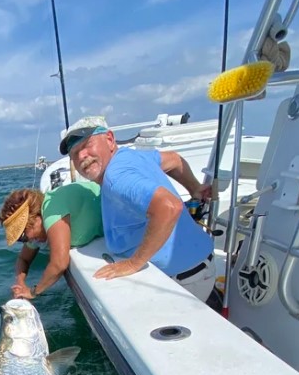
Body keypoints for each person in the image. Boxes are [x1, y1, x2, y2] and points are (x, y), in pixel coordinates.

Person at [59, 116, 216, 302]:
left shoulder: (116, 178)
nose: (81, 156)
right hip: (202, 263)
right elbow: (174, 160)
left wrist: (134, 263)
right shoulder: (129, 155)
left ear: (109, 139)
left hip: (182, 280)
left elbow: (169, 207)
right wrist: (195, 188)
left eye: (87, 145)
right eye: (74, 154)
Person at [0, 180, 103, 299]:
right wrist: (20, 282)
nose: (27, 241)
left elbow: (59, 264)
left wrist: (33, 292)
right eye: (21, 240)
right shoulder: (35, 234)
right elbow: (23, 259)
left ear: (35, 218)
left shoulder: (52, 210)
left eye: (23, 236)